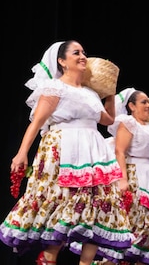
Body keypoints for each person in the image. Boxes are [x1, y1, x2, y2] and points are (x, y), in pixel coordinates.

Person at [0, 40, 134, 265]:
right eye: (76, 53)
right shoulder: (56, 87)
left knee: (100, 203)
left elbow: (108, 119)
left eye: (83, 52)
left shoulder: (91, 93)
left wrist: (110, 92)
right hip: (63, 149)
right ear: (62, 61)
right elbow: (36, 123)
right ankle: (49, 258)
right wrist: (21, 153)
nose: (82, 56)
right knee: (62, 203)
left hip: (92, 151)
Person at [94, 88, 149, 265]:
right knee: (135, 223)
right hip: (136, 174)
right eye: (143, 102)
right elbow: (120, 151)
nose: (148, 105)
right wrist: (122, 178)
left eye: (148, 101)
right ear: (131, 106)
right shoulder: (128, 123)